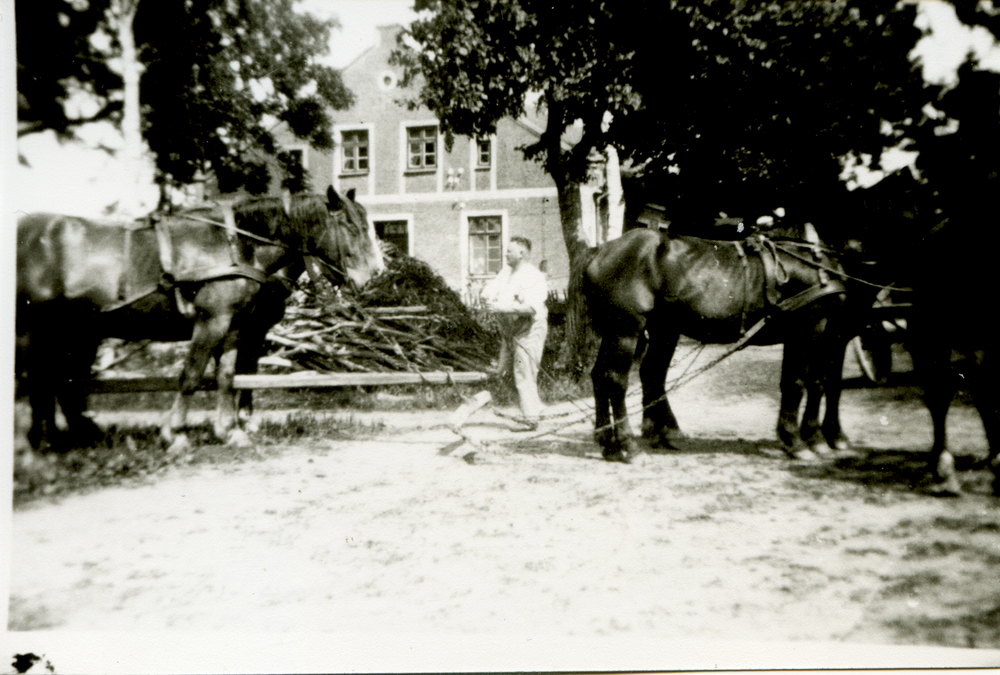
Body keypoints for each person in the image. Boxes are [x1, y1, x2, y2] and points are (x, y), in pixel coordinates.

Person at [480, 236, 548, 429]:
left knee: (523, 372)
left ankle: (531, 418)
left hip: (528, 330)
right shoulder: (505, 272)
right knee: (503, 372)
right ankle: (535, 408)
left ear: (521, 253)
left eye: (509, 251)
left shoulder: (532, 276)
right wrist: (488, 297)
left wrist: (502, 307)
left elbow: (531, 308)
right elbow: (488, 292)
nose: (505, 254)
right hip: (509, 331)